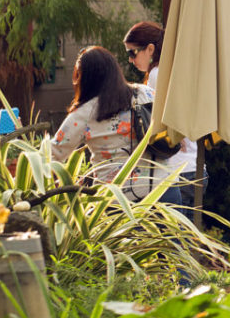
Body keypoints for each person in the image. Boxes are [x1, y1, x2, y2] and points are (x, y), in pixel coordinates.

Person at [51, 47, 157, 197]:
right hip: (164, 194)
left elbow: (52, 155)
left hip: (117, 202)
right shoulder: (146, 93)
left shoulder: (84, 113)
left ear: (84, 78)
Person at [124, 21, 202, 207]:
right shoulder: (175, 70)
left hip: (176, 170)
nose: (130, 60)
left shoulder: (157, 75)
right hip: (193, 167)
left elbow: (157, 123)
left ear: (150, 49)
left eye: (132, 53)